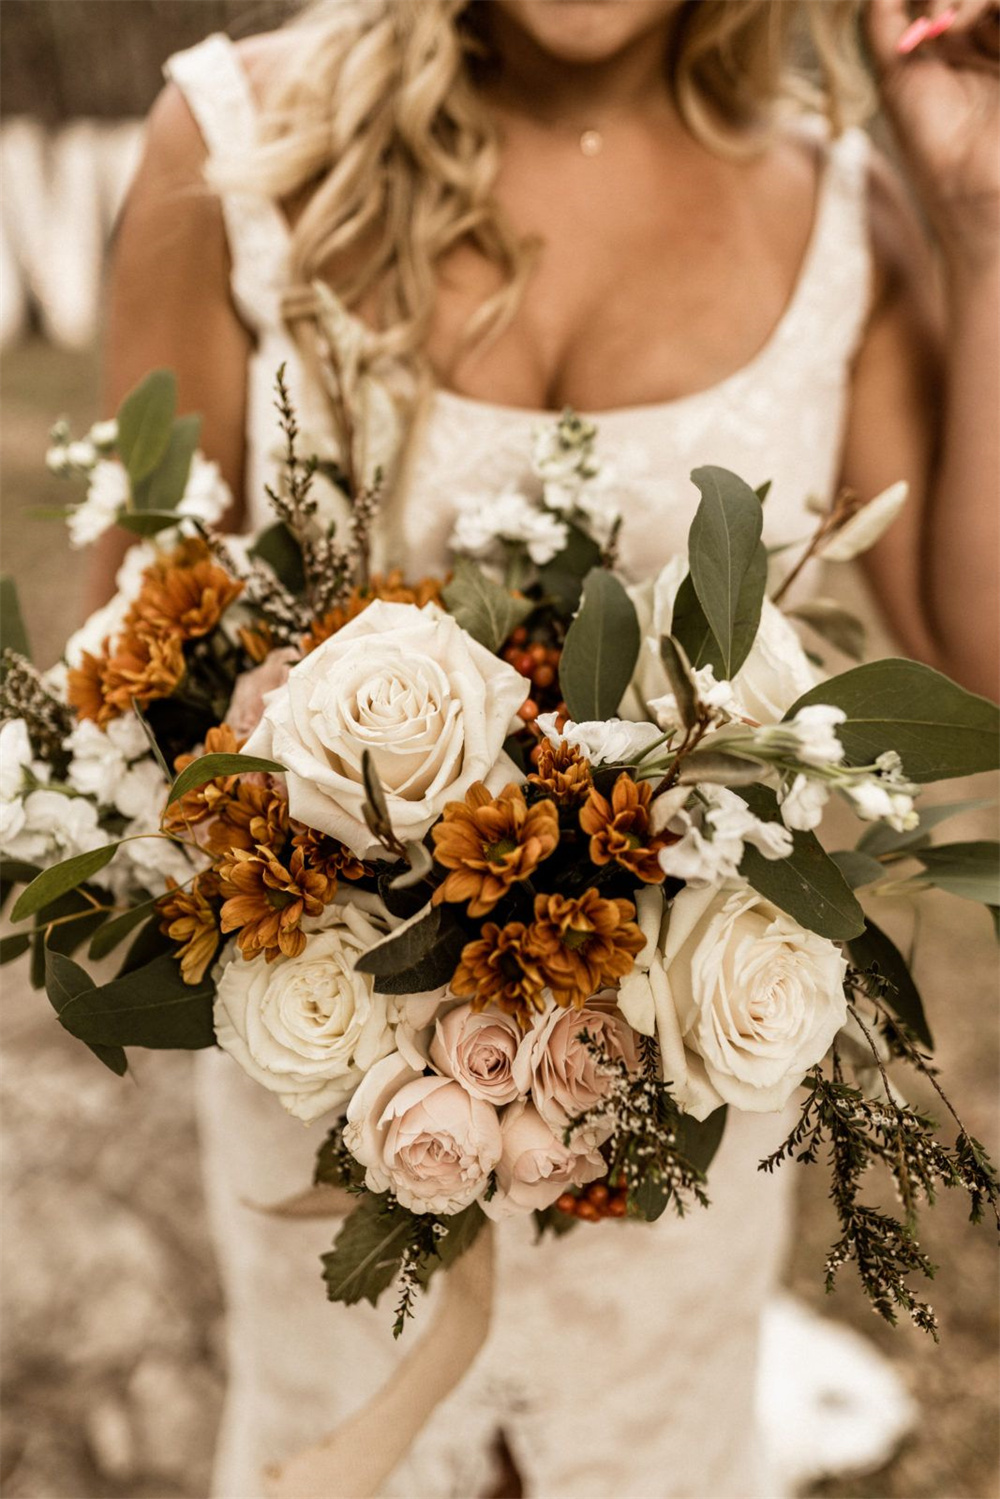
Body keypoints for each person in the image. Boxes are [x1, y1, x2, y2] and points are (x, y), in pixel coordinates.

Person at [95, 2, 999, 1495]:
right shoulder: (234, 144)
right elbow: (127, 664)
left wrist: (977, 226)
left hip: (669, 1130)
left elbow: (973, 659)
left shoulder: (849, 207)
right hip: (329, 1121)